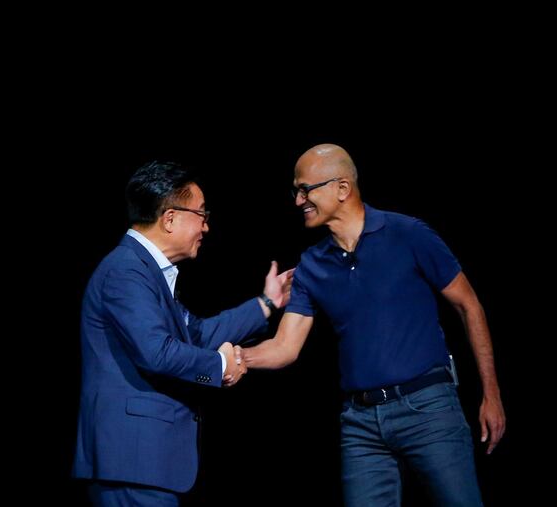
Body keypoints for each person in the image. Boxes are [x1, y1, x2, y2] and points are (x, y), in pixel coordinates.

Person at [242, 144, 506, 506]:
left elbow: (469, 306)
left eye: (306, 189)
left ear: (342, 189)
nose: (298, 200)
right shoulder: (311, 265)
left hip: (428, 409)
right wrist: (230, 358)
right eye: (296, 191)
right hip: (361, 425)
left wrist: (491, 395)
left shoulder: (408, 234)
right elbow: (285, 347)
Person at [72, 160, 292, 506]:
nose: (206, 226)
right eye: (201, 214)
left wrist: (267, 302)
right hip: (132, 461)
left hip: (145, 464)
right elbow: (155, 352)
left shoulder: (145, 272)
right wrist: (220, 368)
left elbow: (198, 334)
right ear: (170, 218)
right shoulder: (126, 270)